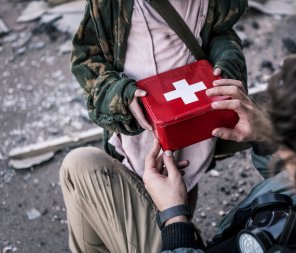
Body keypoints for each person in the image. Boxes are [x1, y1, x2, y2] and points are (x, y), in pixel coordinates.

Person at [60, 54, 296, 253]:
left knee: (81, 167)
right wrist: (264, 137)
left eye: (293, 161)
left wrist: (175, 217)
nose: (283, 158)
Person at [70, 0, 248, 214]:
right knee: (136, 197)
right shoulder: (113, 5)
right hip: (140, 123)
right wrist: (119, 95)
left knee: (185, 179)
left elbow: (220, 32)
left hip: (193, 111)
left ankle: (182, 238)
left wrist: (226, 62)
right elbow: (87, 58)